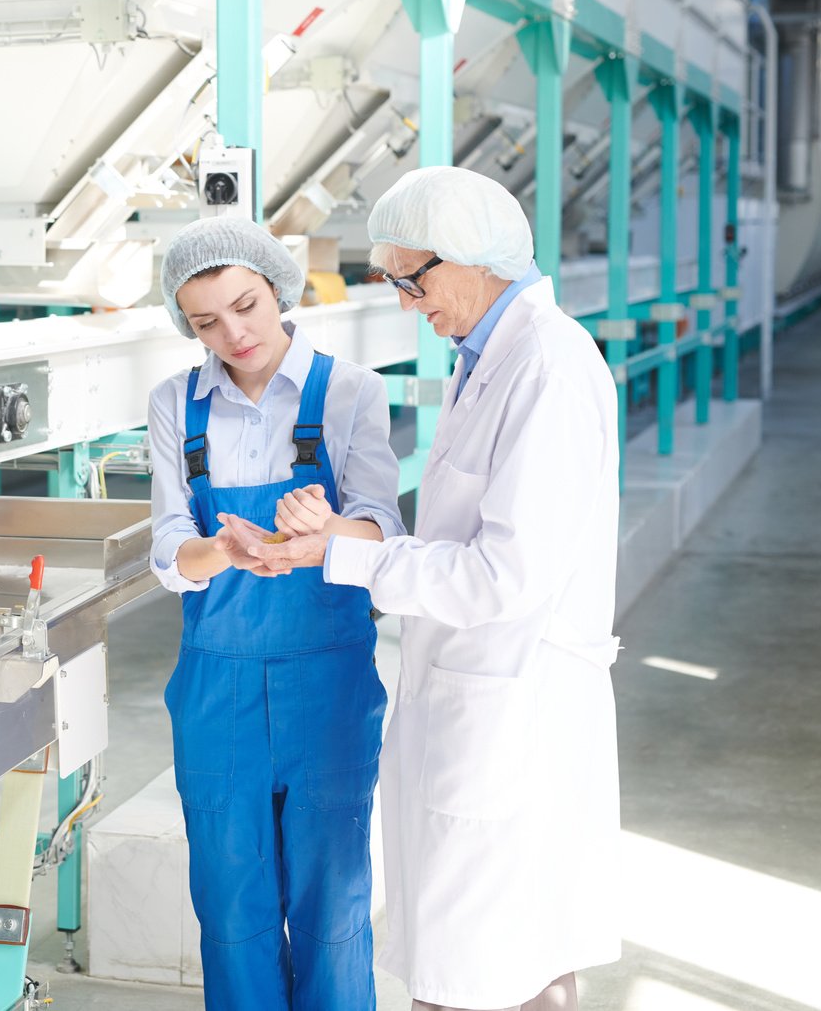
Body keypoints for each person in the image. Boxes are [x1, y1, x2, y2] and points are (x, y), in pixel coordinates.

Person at [243, 166, 623, 1011]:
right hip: (477, 696)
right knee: (497, 957)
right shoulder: (487, 354)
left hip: (511, 707)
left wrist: (346, 560)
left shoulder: (548, 372)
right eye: (392, 284)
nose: (409, 304)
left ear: (472, 261)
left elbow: (501, 576)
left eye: (413, 281)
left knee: (490, 965)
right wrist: (342, 535)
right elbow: (463, 537)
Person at [147, 215, 402, 1010]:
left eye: (246, 305)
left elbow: (382, 529)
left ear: (278, 290)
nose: (234, 332)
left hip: (326, 683)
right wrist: (221, 550)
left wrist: (322, 532)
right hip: (216, 689)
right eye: (206, 322)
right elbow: (167, 550)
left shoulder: (351, 391)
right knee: (230, 906)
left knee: (332, 904)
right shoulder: (173, 403)